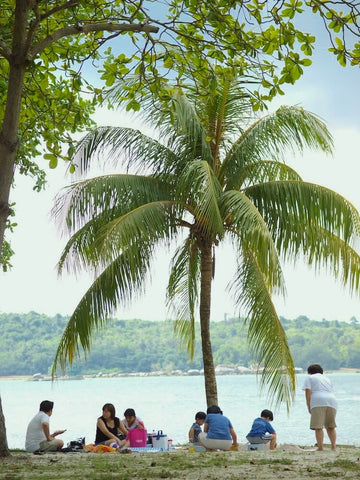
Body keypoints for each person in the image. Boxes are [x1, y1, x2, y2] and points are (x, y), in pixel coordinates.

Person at [302, 363, 337, 451]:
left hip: (318, 401)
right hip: (332, 401)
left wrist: (308, 405)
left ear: (310, 372)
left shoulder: (310, 378)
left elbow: (308, 391)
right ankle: (333, 447)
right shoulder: (327, 379)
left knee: (318, 426)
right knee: (330, 426)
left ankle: (320, 447)